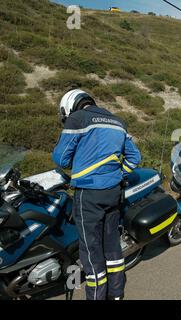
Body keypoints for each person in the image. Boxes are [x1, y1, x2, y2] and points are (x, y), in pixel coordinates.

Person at [52, 89, 141, 300]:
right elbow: (135, 156)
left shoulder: (77, 119)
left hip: (89, 194)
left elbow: (61, 159)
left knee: (91, 251)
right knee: (111, 246)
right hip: (113, 192)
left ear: (70, 106)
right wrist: (119, 174)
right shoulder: (118, 121)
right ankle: (116, 294)